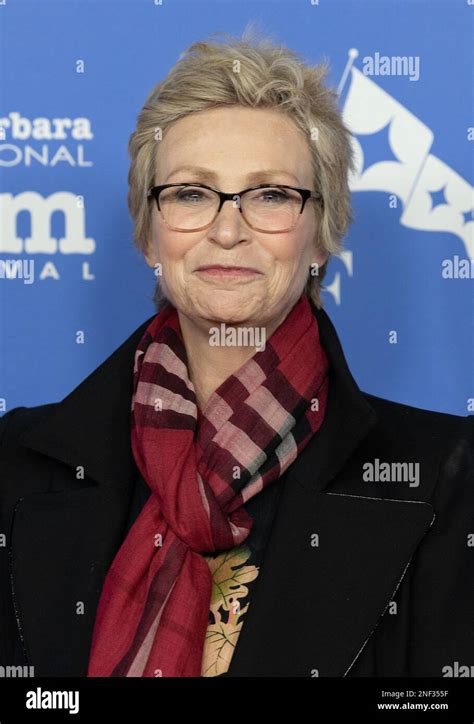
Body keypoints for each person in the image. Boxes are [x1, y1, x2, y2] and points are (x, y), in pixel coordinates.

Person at [0, 31, 472, 678]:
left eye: (271, 195)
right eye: (192, 194)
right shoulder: (17, 465)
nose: (228, 230)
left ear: (320, 240)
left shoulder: (445, 479)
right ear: (148, 235)